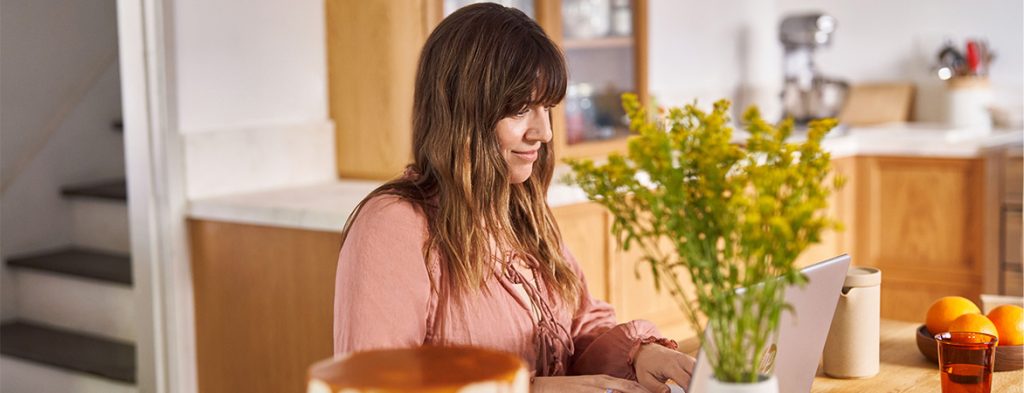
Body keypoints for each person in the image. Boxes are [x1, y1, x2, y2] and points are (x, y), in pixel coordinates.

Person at [333, 3, 695, 392]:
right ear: (463, 110)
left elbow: (579, 324)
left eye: (548, 108)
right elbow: (374, 385)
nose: (545, 132)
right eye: (521, 109)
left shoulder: (521, 209)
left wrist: (639, 354)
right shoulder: (394, 227)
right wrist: (529, 388)